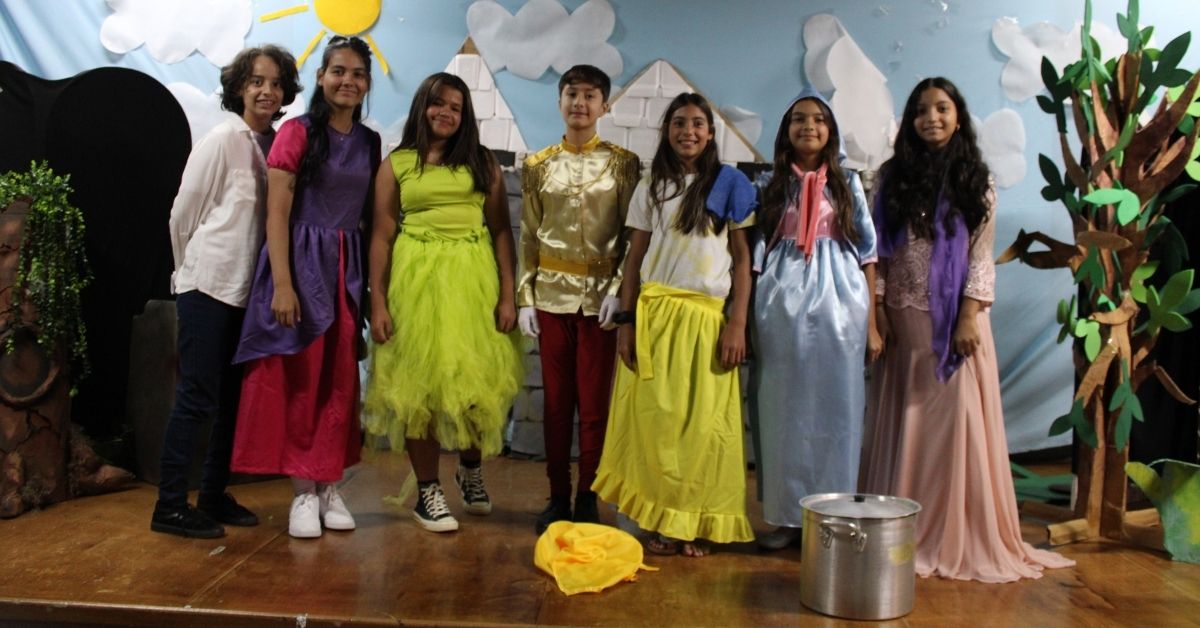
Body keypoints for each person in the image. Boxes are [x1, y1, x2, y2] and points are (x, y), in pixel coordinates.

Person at [860, 77, 1074, 581]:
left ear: (958, 116)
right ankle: (901, 526)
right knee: (905, 421)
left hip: (956, 321)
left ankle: (952, 530)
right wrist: (880, 309)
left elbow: (980, 258)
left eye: (941, 108)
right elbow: (879, 254)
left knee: (952, 423)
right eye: (921, 110)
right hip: (903, 318)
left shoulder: (976, 180)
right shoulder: (890, 178)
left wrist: (968, 316)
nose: (930, 118)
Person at [229, 36, 381, 539]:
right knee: (300, 377)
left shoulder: (370, 143)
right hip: (299, 264)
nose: (347, 81)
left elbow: (366, 219)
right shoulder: (297, 132)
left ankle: (327, 482)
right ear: (321, 77)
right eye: (339, 71)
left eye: (357, 74)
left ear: (367, 84)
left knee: (339, 381)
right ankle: (301, 492)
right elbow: (276, 213)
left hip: (345, 271)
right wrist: (283, 284)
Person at [592, 93, 756, 557]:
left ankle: (693, 523)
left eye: (698, 123)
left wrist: (737, 323)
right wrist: (627, 322)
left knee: (702, 428)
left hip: (705, 321)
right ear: (667, 130)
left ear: (711, 133)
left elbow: (743, 261)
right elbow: (635, 258)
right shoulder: (652, 185)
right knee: (656, 425)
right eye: (680, 122)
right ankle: (656, 519)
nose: (689, 131)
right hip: (655, 317)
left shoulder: (730, 183)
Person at [363, 72, 523, 534]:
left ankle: (470, 469)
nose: (446, 113)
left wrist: (507, 294)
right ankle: (428, 490)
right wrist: (378, 302)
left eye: (456, 107)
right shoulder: (398, 163)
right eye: (438, 103)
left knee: (474, 384)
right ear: (423, 106)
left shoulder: (482, 162)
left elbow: (501, 230)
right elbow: (381, 235)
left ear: (465, 115)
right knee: (421, 391)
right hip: (416, 282)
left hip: (473, 281)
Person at [152, 45, 301, 539]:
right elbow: (182, 214)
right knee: (196, 396)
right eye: (257, 81)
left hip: (248, 295)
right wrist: (187, 272)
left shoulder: (278, 145)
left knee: (233, 401)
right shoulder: (221, 140)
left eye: (276, 83)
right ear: (239, 87)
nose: (267, 91)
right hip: (208, 286)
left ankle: (214, 494)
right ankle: (170, 505)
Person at [748, 88, 880, 551]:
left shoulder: (848, 184)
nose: (809, 126)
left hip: (839, 299)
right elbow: (755, 251)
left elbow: (868, 253)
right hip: (780, 298)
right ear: (786, 130)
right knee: (782, 408)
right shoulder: (771, 184)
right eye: (799, 119)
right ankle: (788, 517)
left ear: (831, 131)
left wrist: (872, 323)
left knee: (836, 407)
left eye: (819, 119)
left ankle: (832, 514)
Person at [517, 64, 641, 534]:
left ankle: (588, 496)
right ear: (560, 101)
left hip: (600, 306)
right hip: (551, 298)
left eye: (590, 95)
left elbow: (632, 235)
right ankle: (556, 495)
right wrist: (524, 295)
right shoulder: (538, 164)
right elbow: (528, 234)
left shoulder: (624, 164)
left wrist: (619, 291)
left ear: (604, 106)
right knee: (555, 406)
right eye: (572, 94)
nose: (580, 103)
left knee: (593, 407)